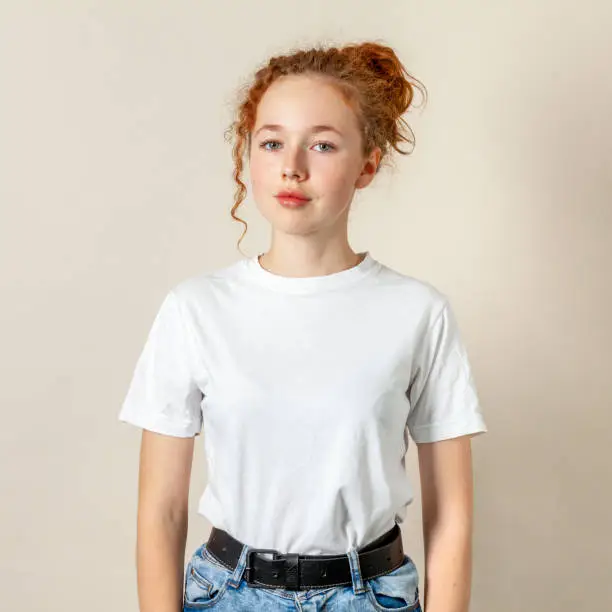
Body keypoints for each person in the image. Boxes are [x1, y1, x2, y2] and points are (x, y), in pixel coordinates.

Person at [119, 40, 488, 612]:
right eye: (272, 142)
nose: (292, 166)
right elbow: (161, 510)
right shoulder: (195, 309)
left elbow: (452, 517)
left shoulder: (418, 312)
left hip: (371, 596)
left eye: (322, 144)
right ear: (249, 156)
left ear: (367, 164)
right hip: (226, 595)